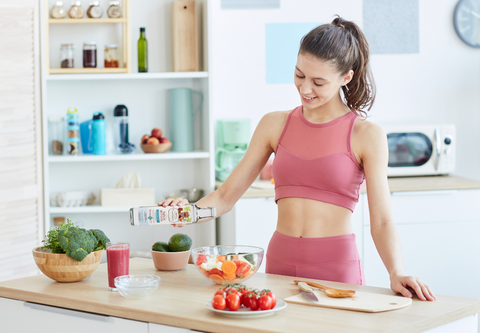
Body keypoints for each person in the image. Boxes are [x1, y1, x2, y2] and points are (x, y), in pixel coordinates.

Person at [159, 16, 435, 301]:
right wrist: (187, 212)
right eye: (299, 75)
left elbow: (381, 221)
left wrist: (396, 272)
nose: (305, 89)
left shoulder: (367, 135)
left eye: (318, 82)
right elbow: (226, 196)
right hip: (280, 265)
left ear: (346, 77)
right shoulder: (274, 124)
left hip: (336, 269)